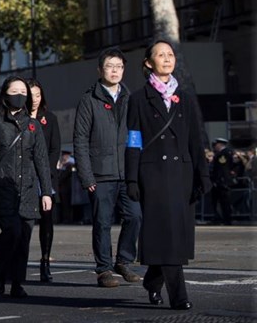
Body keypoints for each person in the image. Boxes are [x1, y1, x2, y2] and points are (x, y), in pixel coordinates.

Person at [125, 39, 211, 310]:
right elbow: (133, 141)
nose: (167, 58)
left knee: (174, 237)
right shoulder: (138, 99)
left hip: (182, 174)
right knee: (165, 235)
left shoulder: (183, 97)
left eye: (170, 54)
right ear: (148, 63)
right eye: (160, 55)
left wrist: (203, 175)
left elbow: (196, 140)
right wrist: (131, 178)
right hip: (153, 175)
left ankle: (153, 280)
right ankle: (179, 296)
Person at [73, 48, 142, 287]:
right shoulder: (88, 100)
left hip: (128, 172)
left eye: (119, 66)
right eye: (110, 66)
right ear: (100, 70)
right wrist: (86, 175)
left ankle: (123, 261)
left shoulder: (131, 98)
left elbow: (136, 135)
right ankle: (104, 269)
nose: (115, 70)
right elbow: (80, 139)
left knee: (135, 216)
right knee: (102, 222)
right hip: (100, 174)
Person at [0, 76, 52, 299]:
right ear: (5, 94)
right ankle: (0, 274)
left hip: (28, 190)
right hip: (3, 189)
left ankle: (17, 283)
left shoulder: (33, 125)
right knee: (11, 232)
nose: (20, 95)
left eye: (23, 91)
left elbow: (41, 159)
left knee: (24, 238)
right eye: (15, 90)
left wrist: (46, 192)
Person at [28, 79, 62, 282]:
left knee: (47, 221)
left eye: (38, 95)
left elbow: (54, 149)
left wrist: (44, 173)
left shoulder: (49, 119)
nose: (34, 100)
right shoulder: (17, 119)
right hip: (24, 177)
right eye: (31, 95)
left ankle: (45, 261)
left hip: (45, 178)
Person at [210, 137, 234, 225]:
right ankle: (220, 218)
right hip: (221, 181)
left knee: (225, 202)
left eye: (215, 145)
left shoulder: (224, 154)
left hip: (222, 182)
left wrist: (218, 180)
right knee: (218, 201)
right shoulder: (224, 153)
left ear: (220, 144)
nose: (214, 146)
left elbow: (222, 169)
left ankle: (226, 219)